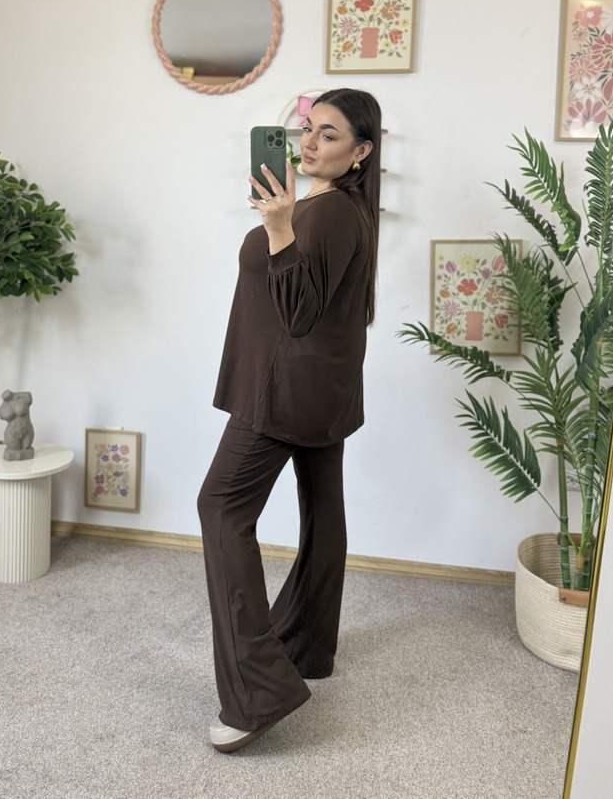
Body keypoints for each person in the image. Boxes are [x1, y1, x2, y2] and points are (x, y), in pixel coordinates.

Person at [197, 87, 382, 753]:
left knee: (220, 507)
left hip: (283, 391)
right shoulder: (337, 206)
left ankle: (257, 694)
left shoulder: (328, 211)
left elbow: (299, 313)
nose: (308, 142)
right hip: (320, 390)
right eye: (307, 128)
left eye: (329, 135)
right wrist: (282, 216)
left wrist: (277, 227)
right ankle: (305, 646)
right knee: (322, 509)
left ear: (360, 152)